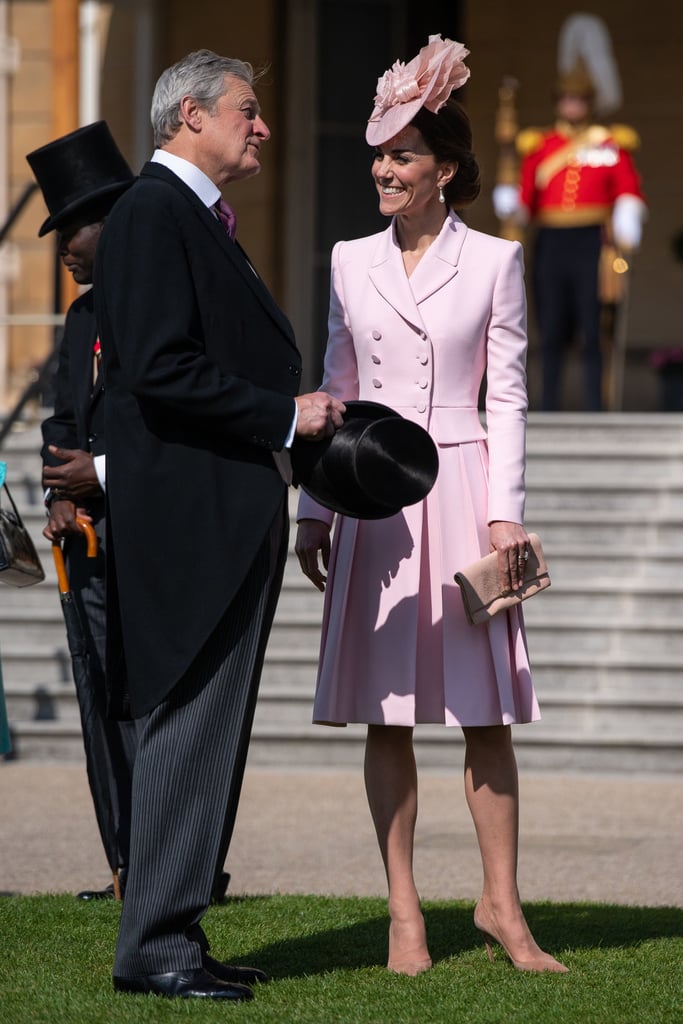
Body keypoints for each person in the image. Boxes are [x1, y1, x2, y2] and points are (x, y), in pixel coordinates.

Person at [295, 35, 568, 976]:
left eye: (401, 155)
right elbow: (333, 384)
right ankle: (401, 912)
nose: (382, 168)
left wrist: (504, 514)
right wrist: (314, 510)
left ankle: (501, 907)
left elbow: (508, 396)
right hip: (370, 499)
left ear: (443, 169)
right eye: (378, 154)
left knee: (485, 712)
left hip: (461, 487)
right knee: (387, 715)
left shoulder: (496, 260)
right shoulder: (343, 259)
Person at [93, 49, 344, 1001]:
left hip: (218, 517)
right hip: (192, 521)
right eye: (247, 110)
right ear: (190, 115)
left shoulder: (182, 215)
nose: (263, 125)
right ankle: (153, 945)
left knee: (208, 733)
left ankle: (175, 931)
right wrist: (287, 415)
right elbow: (158, 367)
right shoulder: (155, 211)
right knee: (188, 728)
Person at [27, 122, 138, 901]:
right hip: (85, 542)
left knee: (139, 702)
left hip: (149, 533)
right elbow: (61, 417)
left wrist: (98, 479)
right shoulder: (80, 318)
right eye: (58, 231)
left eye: (75, 228)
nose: (65, 246)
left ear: (115, 223)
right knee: (95, 697)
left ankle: (166, 861)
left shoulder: (152, 310)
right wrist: (62, 495)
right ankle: (122, 860)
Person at [493, 13, 646, 411]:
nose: (572, 104)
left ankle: (596, 405)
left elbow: (627, 189)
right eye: (566, 98)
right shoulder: (539, 146)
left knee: (593, 328)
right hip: (552, 241)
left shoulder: (611, 143)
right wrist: (511, 202)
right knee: (552, 327)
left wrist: (628, 216)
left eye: (578, 98)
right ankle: (548, 404)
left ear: (589, 103)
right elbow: (525, 199)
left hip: (593, 240)